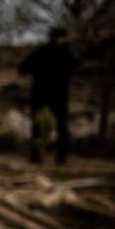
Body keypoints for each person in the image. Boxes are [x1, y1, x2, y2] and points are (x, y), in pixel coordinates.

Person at [18, 27, 79, 165]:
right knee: (56, 126)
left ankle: (41, 156)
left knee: (43, 125)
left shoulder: (42, 52)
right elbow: (75, 66)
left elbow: (23, 69)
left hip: (43, 94)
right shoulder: (66, 53)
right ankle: (57, 157)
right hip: (55, 94)